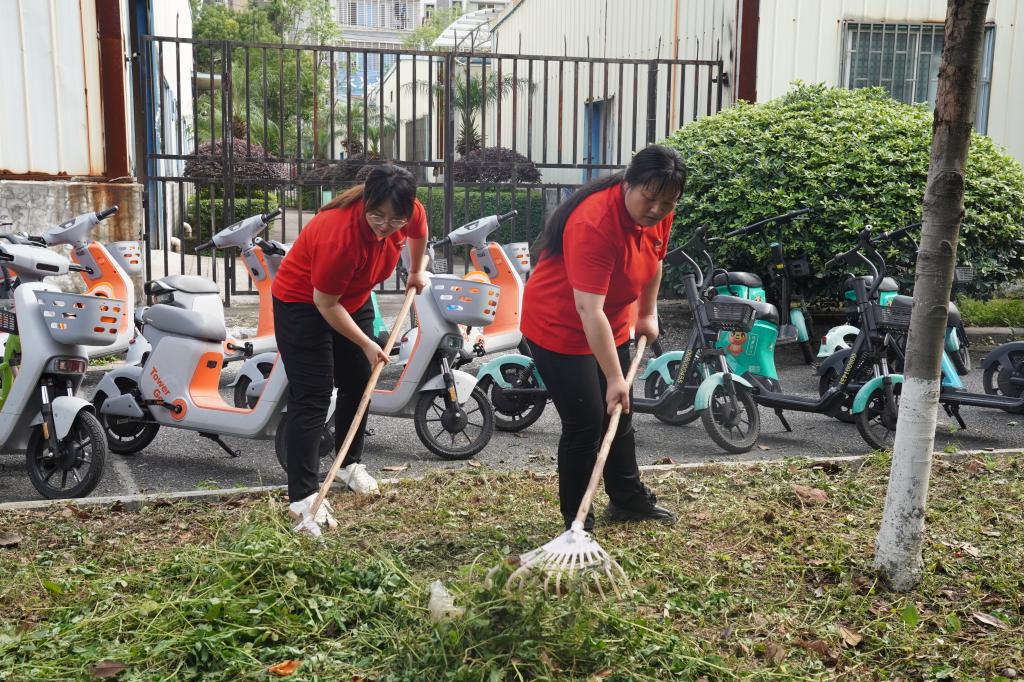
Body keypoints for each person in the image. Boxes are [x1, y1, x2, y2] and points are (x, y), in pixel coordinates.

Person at [521, 145, 686, 532]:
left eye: (667, 202)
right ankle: (577, 523)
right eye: (649, 198)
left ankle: (627, 498)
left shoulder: (658, 211)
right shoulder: (594, 223)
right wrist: (614, 378)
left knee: (619, 412)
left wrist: (646, 313)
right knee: (585, 424)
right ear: (629, 183)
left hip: (609, 322)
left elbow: (655, 260)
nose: (657, 210)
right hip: (559, 326)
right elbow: (586, 311)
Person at [271, 164, 429, 533]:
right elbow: (326, 304)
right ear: (366, 202)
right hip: (303, 305)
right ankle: (303, 498)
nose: (385, 225)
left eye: (395, 219)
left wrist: (416, 269)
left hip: (353, 300)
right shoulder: (338, 235)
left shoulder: (408, 212)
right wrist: (367, 342)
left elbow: (418, 232)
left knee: (360, 381)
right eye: (377, 215)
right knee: (312, 395)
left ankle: (347, 466)